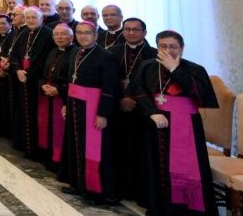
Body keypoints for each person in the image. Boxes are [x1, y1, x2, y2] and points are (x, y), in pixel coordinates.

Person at [129, 30, 218, 215]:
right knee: (155, 165)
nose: (168, 50)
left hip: (186, 128)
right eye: (163, 46)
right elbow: (138, 90)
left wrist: (175, 69)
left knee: (185, 167)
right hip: (154, 124)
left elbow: (202, 96)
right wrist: (152, 113)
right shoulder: (147, 66)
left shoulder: (195, 69)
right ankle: (158, 207)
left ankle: (184, 209)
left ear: (182, 48)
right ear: (157, 47)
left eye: (173, 47)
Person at [58, 21, 120, 203]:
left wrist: (103, 113)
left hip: (93, 108)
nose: (82, 36)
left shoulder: (105, 56)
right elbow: (68, 79)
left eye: (87, 33)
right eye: (79, 32)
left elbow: (110, 88)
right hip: (75, 105)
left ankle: (96, 191)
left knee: (94, 150)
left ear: (95, 35)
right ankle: (78, 184)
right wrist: (65, 103)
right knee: (75, 145)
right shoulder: (75, 52)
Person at [109, 17, 157, 202]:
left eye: (135, 29)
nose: (130, 32)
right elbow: (107, 81)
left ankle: (141, 192)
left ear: (144, 33)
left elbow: (154, 85)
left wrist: (134, 100)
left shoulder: (153, 54)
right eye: (127, 29)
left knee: (141, 152)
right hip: (117, 109)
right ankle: (119, 189)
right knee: (117, 149)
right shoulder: (112, 52)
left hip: (142, 112)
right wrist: (121, 99)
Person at [9, 7, 53, 159]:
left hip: (36, 82)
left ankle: (34, 150)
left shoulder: (47, 34)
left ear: (41, 19)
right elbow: (14, 54)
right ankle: (23, 145)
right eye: (28, 18)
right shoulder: (24, 33)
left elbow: (46, 59)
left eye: (34, 17)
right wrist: (17, 70)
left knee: (36, 116)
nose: (30, 20)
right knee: (23, 113)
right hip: (21, 78)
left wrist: (28, 74)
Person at [39, 24, 74, 171]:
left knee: (61, 132)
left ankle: (60, 163)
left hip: (63, 98)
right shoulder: (53, 51)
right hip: (48, 96)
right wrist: (42, 85)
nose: (59, 37)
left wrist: (59, 90)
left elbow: (73, 79)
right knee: (49, 129)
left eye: (63, 34)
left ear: (71, 37)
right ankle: (50, 160)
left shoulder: (75, 53)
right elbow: (44, 73)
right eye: (56, 34)